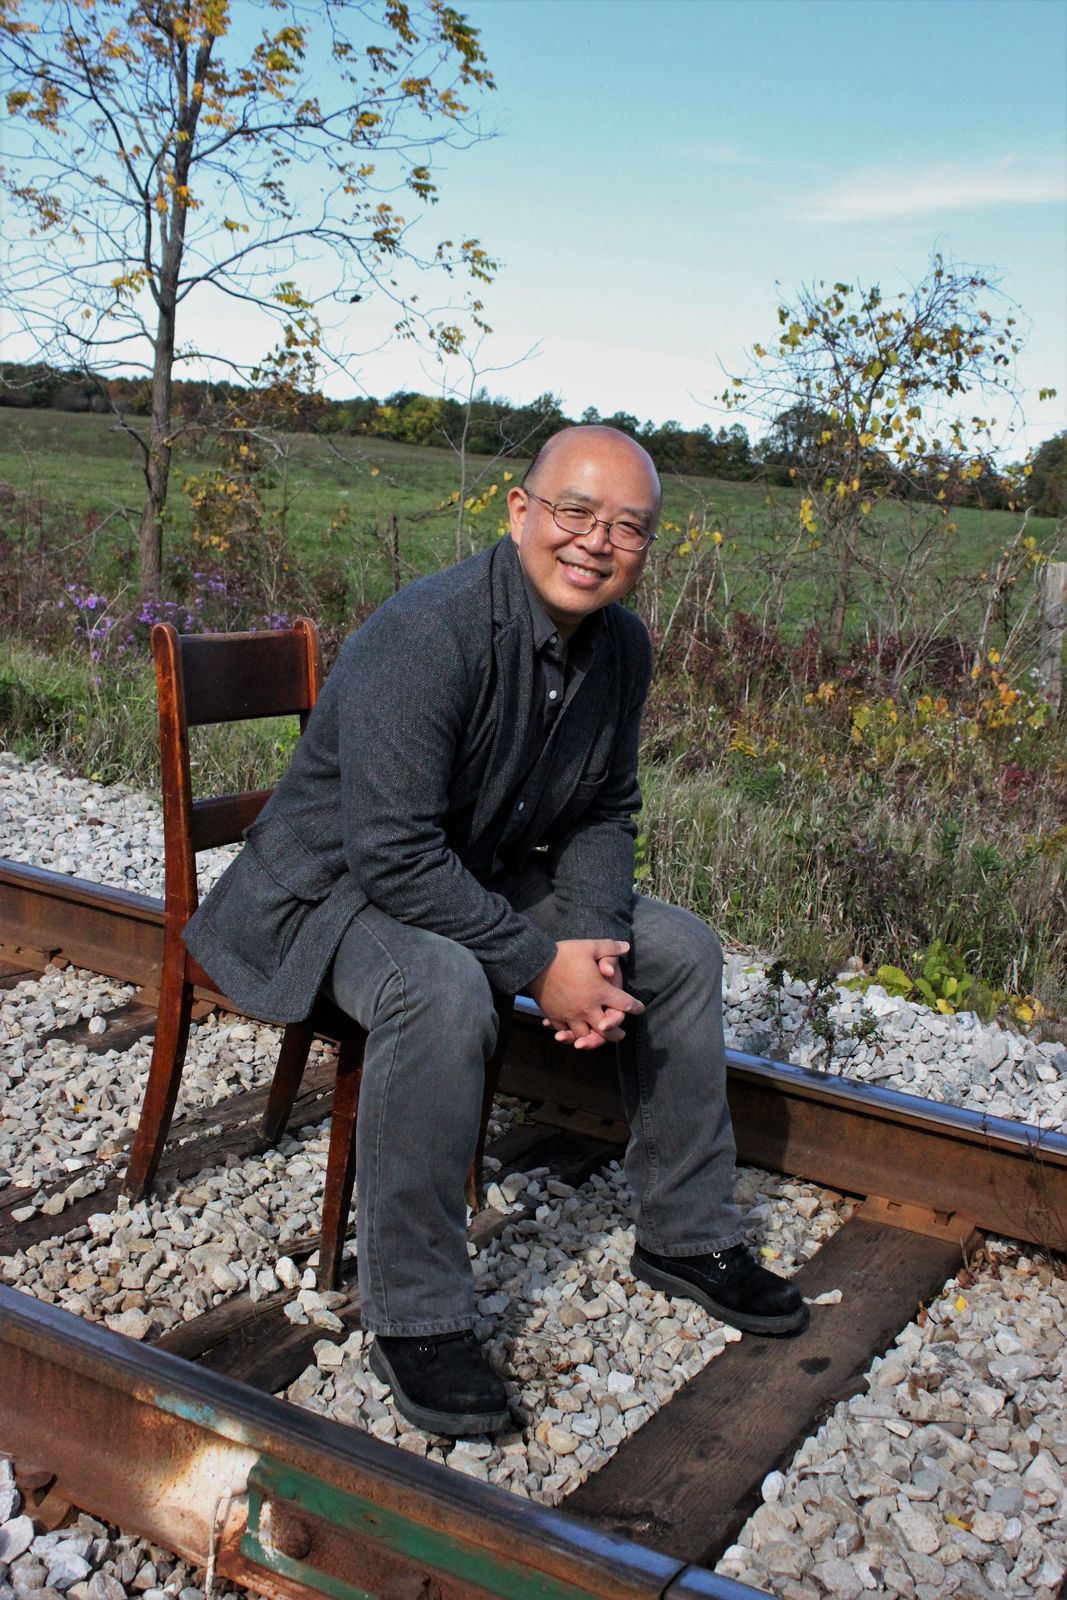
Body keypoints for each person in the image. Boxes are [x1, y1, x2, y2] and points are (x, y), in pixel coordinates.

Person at [185, 425, 806, 1438]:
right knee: (440, 987)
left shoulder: (620, 647)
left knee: (680, 952)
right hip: (332, 888)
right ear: (520, 512)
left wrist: (592, 945)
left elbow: (605, 810)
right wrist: (534, 965)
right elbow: (389, 853)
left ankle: (687, 1234)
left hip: (466, 867)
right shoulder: (426, 632)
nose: (596, 542)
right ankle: (417, 1317)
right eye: (575, 512)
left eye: (627, 528)